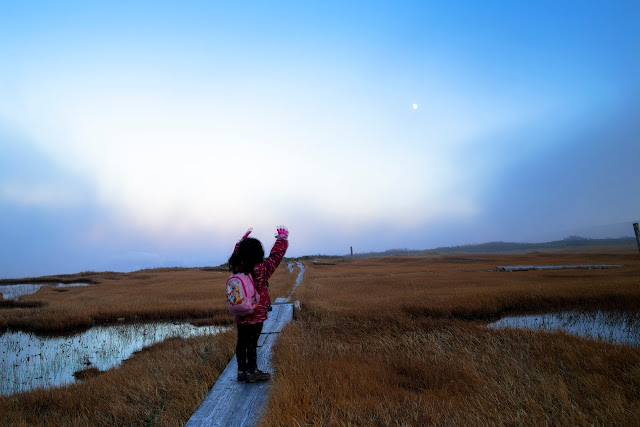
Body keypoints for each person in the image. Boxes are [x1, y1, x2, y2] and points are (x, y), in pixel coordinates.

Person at [228, 226, 289, 383]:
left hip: (240, 312)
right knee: (252, 343)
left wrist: (240, 242)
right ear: (258, 253)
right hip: (256, 313)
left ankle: (241, 371)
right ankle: (252, 372)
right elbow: (276, 256)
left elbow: (237, 253)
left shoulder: (237, 268)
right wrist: (281, 239)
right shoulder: (261, 269)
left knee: (241, 342)